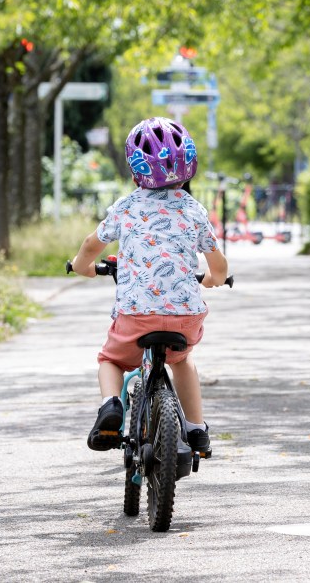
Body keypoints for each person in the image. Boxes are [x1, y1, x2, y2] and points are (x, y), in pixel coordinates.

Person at [70, 117, 229, 454]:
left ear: (134, 171)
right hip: (184, 319)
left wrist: (83, 267)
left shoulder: (125, 207)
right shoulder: (195, 210)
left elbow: (90, 245)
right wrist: (214, 280)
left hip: (136, 316)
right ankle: (197, 429)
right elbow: (218, 265)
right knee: (182, 361)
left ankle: (111, 406)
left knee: (110, 360)